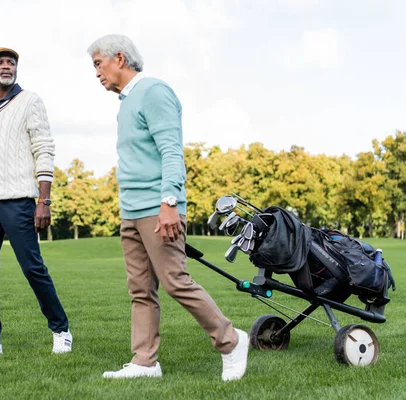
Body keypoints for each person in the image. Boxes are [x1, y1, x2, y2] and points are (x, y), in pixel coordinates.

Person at [87, 35, 249, 381]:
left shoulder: (154, 92)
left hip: (157, 208)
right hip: (131, 211)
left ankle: (231, 341)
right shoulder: (126, 102)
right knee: (140, 290)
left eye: (98, 64)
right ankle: (145, 362)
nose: (96, 73)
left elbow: (172, 152)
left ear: (119, 58)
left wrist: (169, 203)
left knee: (175, 281)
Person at [0, 47, 72, 360]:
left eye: (11, 61)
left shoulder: (31, 102)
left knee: (32, 268)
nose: (6, 65)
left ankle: (61, 329)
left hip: (19, 201)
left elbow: (44, 149)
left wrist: (44, 199)